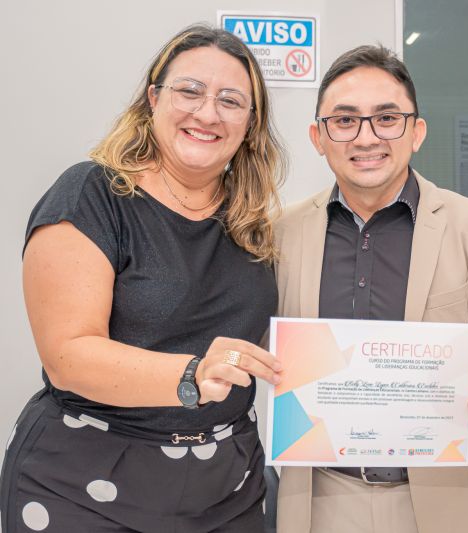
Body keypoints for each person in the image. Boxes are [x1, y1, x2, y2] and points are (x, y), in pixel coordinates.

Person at [0, 25, 285, 532]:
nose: (207, 113)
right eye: (189, 91)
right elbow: (67, 356)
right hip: (86, 483)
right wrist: (192, 375)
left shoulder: (252, 221)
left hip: (227, 488)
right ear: (154, 99)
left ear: (250, 123)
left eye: (230, 101)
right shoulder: (92, 194)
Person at [273, 45, 468, 533]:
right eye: (345, 121)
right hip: (319, 499)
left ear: (416, 132)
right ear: (318, 137)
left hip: (450, 499)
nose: (367, 137)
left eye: (387, 119)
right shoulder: (280, 234)